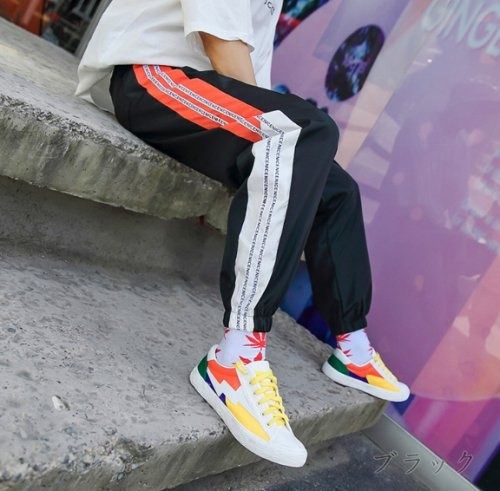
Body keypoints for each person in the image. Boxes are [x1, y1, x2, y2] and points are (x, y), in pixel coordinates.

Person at [76, 0, 410, 468]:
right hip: (150, 76)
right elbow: (221, 44)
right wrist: (268, 139)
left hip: (203, 91)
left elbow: (249, 81)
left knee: (336, 187)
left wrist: (269, 145)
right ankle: (235, 358)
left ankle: (351, 343)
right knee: (303, 134)